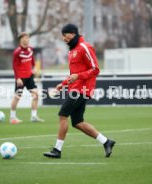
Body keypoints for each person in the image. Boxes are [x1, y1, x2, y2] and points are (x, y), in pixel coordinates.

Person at [43, 24, 115, 158]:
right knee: (77, 122)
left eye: (64, 35)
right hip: (75, 88)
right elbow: (74, 75)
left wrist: (78, 76)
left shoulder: (85, 47)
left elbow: (95, 69)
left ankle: (57, 150)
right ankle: (106, 142)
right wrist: (63, 84)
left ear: (71, 34)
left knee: (63, 114)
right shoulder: (72, 50)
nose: (63, 38)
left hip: (82, 89)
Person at [10, 32, 44, 124]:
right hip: (21, 78)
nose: (27, 40)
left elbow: (32, 61)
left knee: (36, 95)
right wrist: (18, 78)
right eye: (25, 38)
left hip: (29, 77)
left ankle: (33, 116)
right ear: (20, 39)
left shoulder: (30, 49)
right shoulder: (17, 52)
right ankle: (12, 118)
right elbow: (15, 66)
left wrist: (33, 69)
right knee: (17, 97)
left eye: (28, 38)